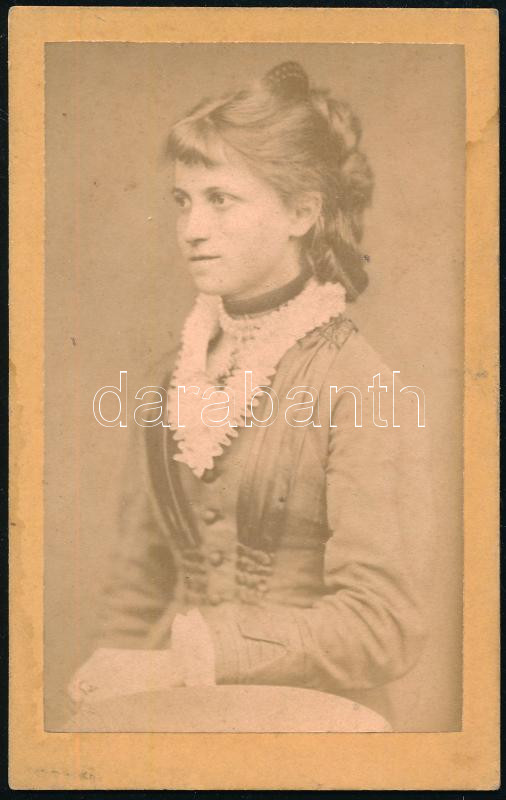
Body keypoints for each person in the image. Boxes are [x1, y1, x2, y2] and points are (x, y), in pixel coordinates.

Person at [69, 61, 432, 729]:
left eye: (220, 199)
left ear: (301, 211)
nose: (192, 228)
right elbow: (137, 592)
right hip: (178, 710)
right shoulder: (169, 378)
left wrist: (195, 656)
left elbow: (382, 625)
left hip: (316, 722)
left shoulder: (359, 382)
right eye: (183, 200)